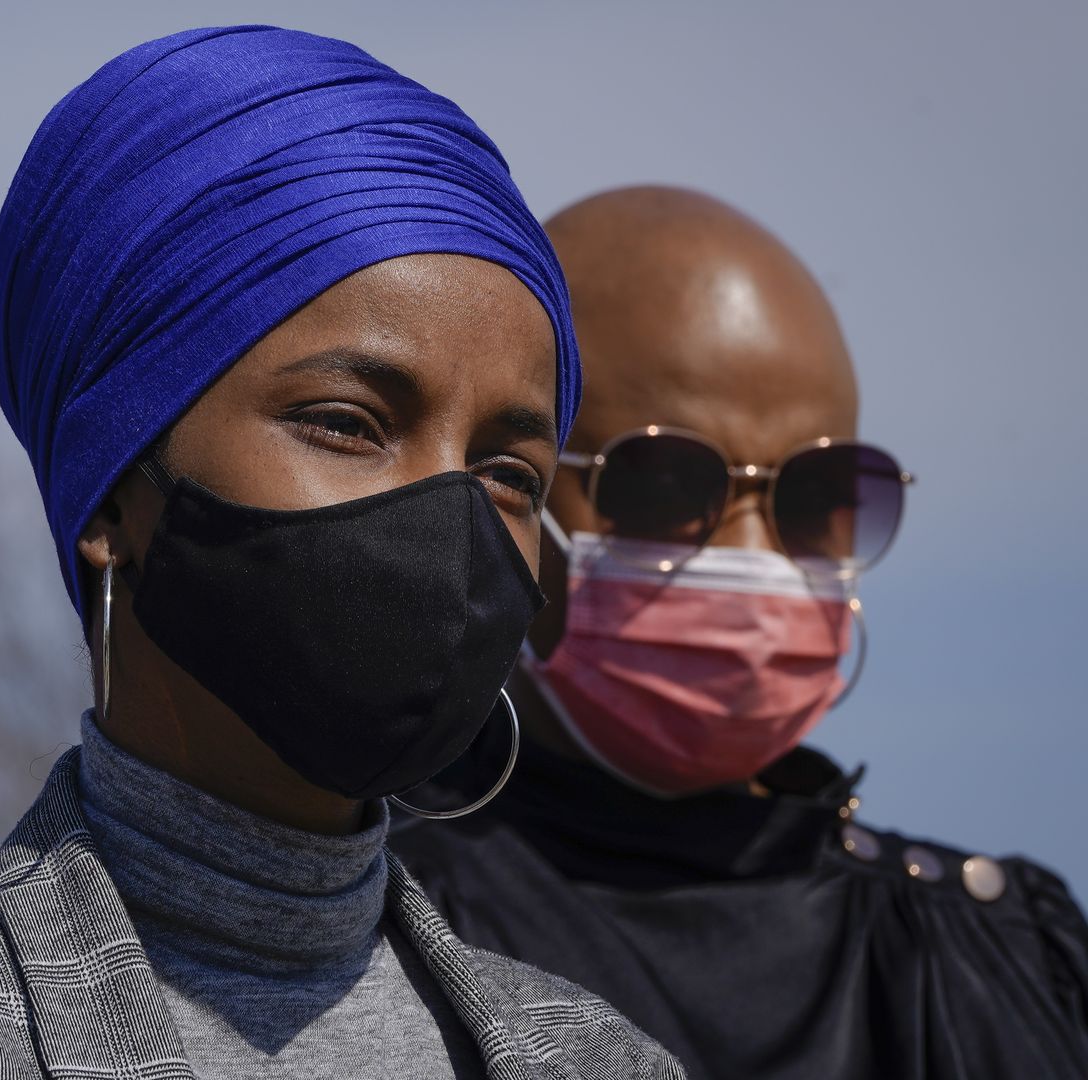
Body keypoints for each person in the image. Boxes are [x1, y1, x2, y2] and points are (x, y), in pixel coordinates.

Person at [0, 27, 684, 1080]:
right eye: (347, 423)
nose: (450, 520)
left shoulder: (604, 1064)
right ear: (114, 492)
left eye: (509, 474)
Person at [389, 186, 1088, 1077]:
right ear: (506, 494)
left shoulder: (998, 956)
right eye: (665, 484)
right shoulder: (368, 926)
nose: (755, 556)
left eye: (819, 495)